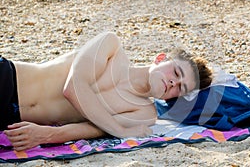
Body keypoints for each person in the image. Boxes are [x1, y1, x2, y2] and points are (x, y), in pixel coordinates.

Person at [1, 32, 212, 151]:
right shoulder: (110, 47)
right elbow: (74, 88)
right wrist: (120, 130)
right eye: (176, 72)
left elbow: (95, 129)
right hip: (7, 80)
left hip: (11, 119)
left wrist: (47, 134)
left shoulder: (145, 114)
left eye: (181, 88)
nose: (173, 83)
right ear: (160, 59)